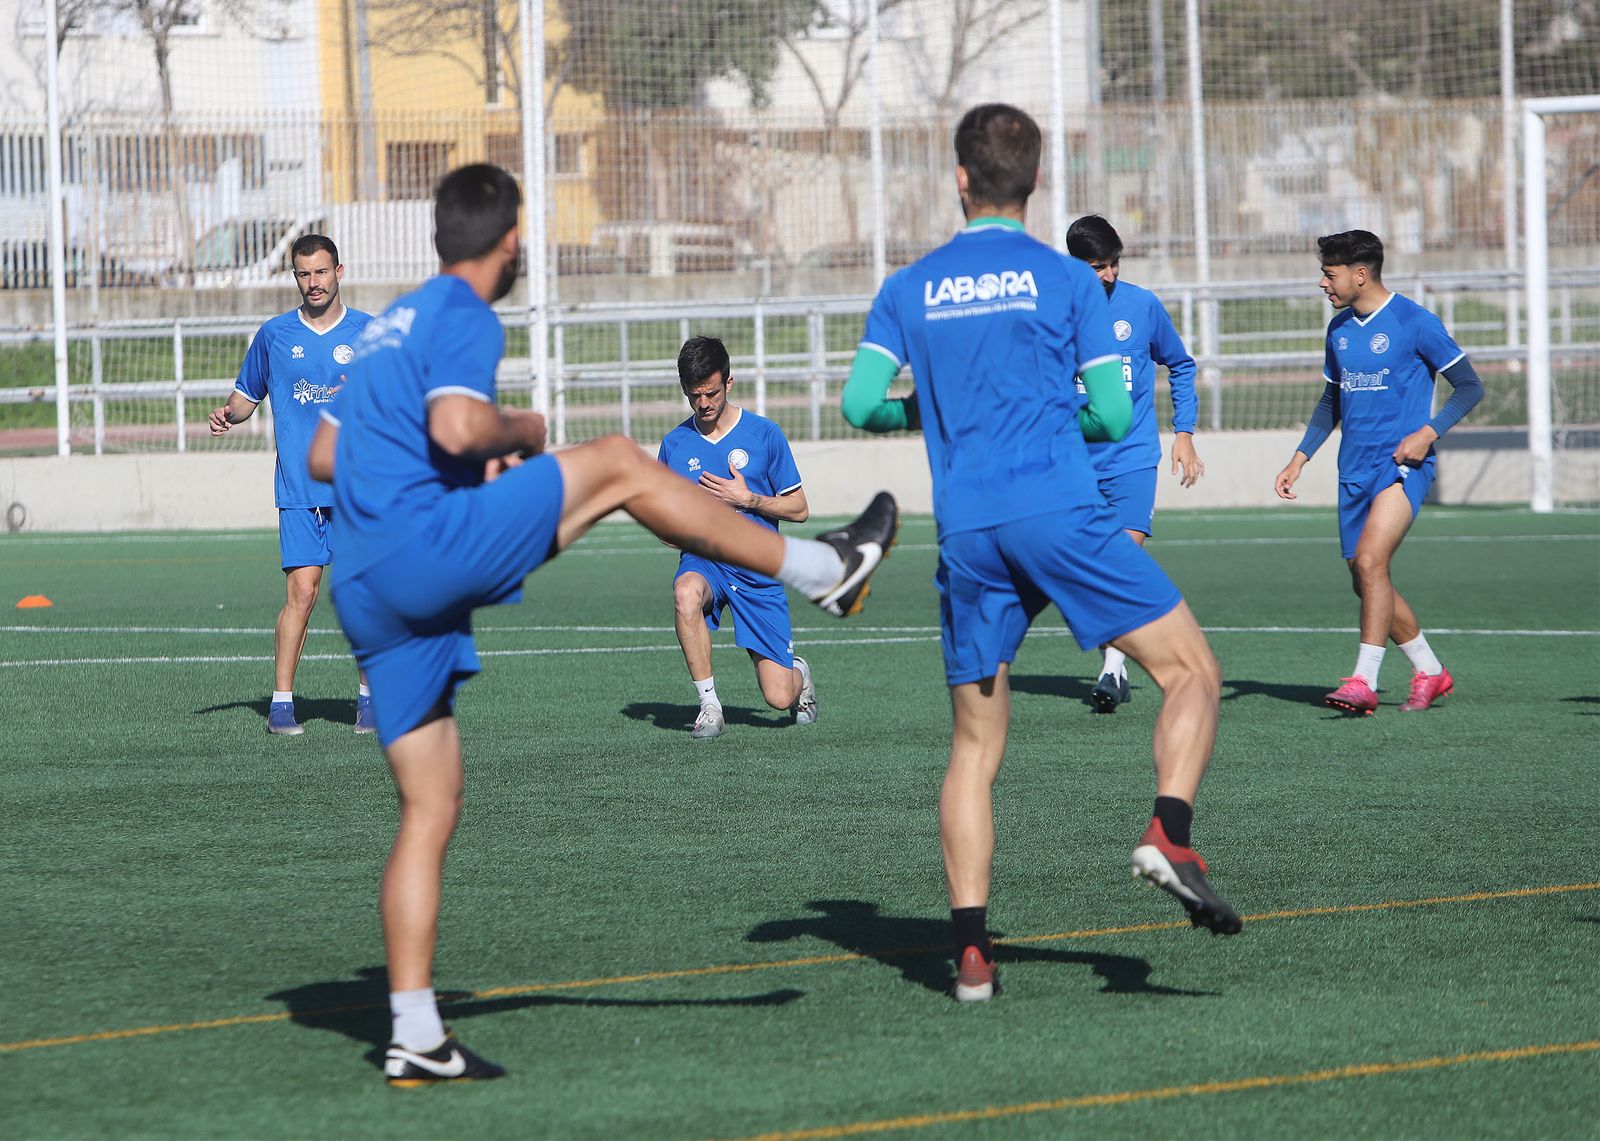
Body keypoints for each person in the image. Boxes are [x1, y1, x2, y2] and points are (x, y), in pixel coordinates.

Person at [306, 163, 897, 1084]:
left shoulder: (385, 325)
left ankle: (414, 1031)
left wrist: (445, 471)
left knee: (431, 806)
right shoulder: (462, 312)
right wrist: (525, 431)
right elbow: (463, 428)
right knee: (620, 460)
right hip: (426, 552)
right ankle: (829, 569)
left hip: (365, 581)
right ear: (508, 243)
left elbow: (325, 450)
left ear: (434, 237)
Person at [840, 104, 1241, 1005]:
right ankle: (1168, 830)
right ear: (1031, 184)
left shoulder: (910, 287)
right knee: (1192, 673)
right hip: (1062, 510)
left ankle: (974, 956)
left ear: (959, 179)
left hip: (971, 530)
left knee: (975, 747)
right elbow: (1105, 414)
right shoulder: (1068, 284)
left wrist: (934, 414)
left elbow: (861, 404)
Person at [1274, 230, 1483, 715]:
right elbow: (1332, 401)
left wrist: (1428, 432)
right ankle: (1431, 670)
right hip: (1353, 471)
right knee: (1365, 579)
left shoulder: (1415, 322)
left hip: (1401, 468)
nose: (1323, 283)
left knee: (1370, 563)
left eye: (1330, 274)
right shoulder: (1339, 330)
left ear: (1359, 274)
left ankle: (1363, 680)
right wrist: (1300, 457)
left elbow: (1470, 387)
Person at [208, 235, 374, 736]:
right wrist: (229, 415)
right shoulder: (275, 334)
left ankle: (369, 701)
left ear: (339, 271)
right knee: (302, 592)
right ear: (295, 278)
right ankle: (282, 704)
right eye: (303, 274)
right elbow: (246, 395)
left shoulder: (370, 332)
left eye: (321, 272)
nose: (313, 282)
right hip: (299, 488)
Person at [1064, 214, 1202, 713]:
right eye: (1098, 266)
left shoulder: (1141, 306)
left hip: (1132, 461)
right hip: (1072, 465)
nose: (1109, 275)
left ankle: (1112, 669)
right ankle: (1117, 664)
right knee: (1086, 573)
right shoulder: (1051, 313)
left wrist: (1183, 433)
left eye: (1114, 264)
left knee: (1120, 561)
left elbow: (1181, 364)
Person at [659, 335, 817, 740]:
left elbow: (799, 509)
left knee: (779, 697)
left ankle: (798, 673)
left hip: (755, 567)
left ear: (728, 383)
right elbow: (665, 532)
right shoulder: (674, 445)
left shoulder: (764, 435)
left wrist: (749, 500)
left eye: (711, 392)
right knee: (685, 594)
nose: (703, 404)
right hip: (705, 561)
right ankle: (709, 705)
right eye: (693, 396)